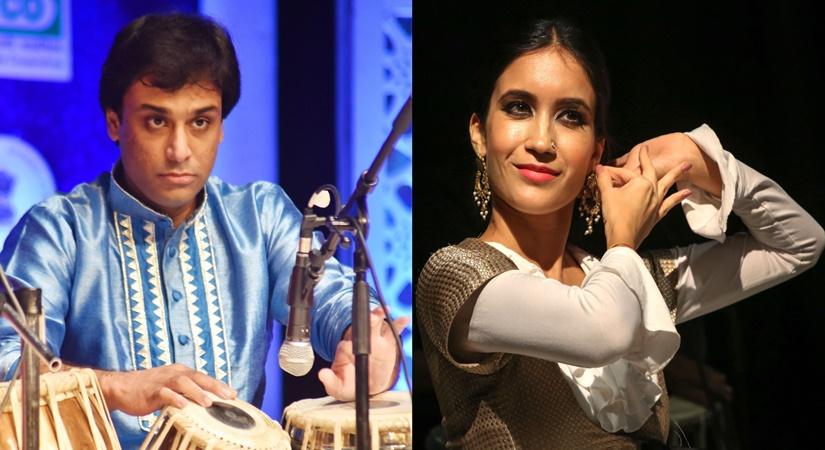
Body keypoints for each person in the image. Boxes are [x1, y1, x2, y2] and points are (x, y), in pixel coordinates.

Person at [0, 13, 407, 449]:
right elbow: (7, 365)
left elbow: (330, 298)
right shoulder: (59, 230)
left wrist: (365, 345)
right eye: (157, 121)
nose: (179, 150)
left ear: (220, 127)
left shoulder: (258, 216)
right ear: (115, 122)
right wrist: (116, 388)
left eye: (200, 122)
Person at [416, 17, 824, 449]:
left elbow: (799, 243)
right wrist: (624, 240)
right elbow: (601, 330)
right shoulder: (456, 275)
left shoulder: (627, 278)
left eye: (570, 116)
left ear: (596, 149)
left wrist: (704, 159)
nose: (541, 140)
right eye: (519, 107)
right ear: (480, 134)